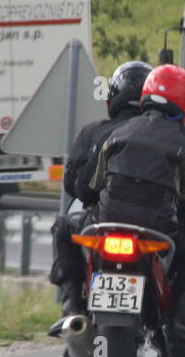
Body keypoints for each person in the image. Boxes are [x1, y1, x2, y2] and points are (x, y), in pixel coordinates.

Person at [86, 64, 185, 357]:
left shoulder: (119, 132)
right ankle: (181, 327)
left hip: (107, 222)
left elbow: (93, 185)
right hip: (158, 229)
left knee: (66, 231)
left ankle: (73, 306)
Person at [49, 60, 152, 315]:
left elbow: (76, 187)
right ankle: (180, 320)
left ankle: (73, 305)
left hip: (101, 219)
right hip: (154, 224)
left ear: (113, 99)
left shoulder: (92, 133)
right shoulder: (165, 135)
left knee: (64, 226)